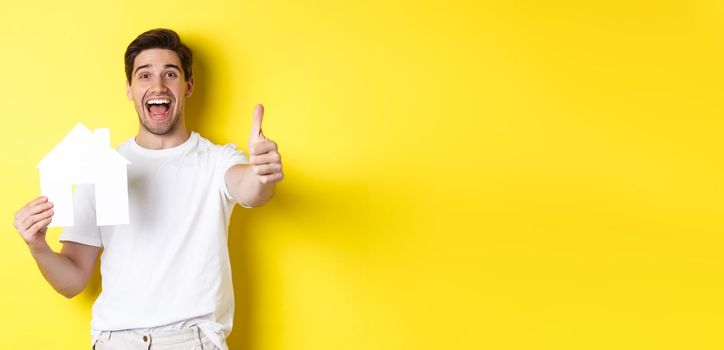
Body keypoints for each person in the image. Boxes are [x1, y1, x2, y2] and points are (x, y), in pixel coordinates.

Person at [12, 28, 283, 349]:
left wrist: (262, 174)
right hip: (116, 341)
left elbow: (250, 188)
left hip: (192, 340)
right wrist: (38, 246)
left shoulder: (217, 160)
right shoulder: (100, 167)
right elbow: (72, 282)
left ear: (188, 85)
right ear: (129, 88)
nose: (158, 86)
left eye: (170, 74)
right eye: (145, 75)